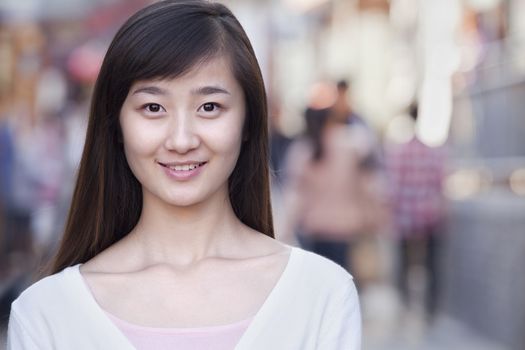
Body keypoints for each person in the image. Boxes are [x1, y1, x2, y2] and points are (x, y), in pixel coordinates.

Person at [7, 1, 361, 349]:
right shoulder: (46, 314)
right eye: (153, 107)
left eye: (209, 107)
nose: (181, 140)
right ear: (116, 124)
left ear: (249, 121)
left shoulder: (320, 294)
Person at [282, 82, 377, 276]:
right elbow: (368, 186)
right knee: (345, 287)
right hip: (348, 228)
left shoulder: (303, 151)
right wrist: (373, 217)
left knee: (320, 288)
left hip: (315, 229)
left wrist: (285, 231)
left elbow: (296, 196)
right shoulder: (354, 144)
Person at [385, 103, 446, 319]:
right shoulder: (433, 153)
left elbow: (392, 187)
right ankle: (431, 307)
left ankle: (405, 303)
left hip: (404, 217)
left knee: (404, 262)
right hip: (429, 216)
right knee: (431, 264)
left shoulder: (398, 153)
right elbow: (440, 184)